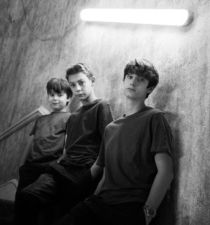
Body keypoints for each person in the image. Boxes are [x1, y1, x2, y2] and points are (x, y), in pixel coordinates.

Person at [57, 59, 174, 225]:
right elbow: (106, 173)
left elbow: (166, 172)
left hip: (130, 207)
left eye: (140, 79)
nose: (133, 82)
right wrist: (92, 199)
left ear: (150, 88)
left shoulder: (154, 118)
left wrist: (148, 213)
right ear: (124, 80)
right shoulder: (110, 128)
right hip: (100, 203)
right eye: (130, 77)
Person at [14, 63, 114, 225]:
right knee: (26, 196)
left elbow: (109, 147)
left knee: (63, 215)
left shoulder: (101, 106)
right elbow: (68, 149)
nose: (78, 89)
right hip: (62, 169)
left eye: (81, 83)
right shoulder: (73, 117)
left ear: (92, 81)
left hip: (84, 171)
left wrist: (92, 174)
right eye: (73, 85)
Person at [16, 78, 73, 193]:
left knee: (37, 201)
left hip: (49, 168)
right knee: (21, 202)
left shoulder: (70, 118)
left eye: (60, 95)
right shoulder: (40, 119)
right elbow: (31, 142)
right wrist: (21, 165)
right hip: (30, 167)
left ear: (68, 98)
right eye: (51, 95)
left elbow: (67, 147)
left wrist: (57, 165)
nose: (55, 98)